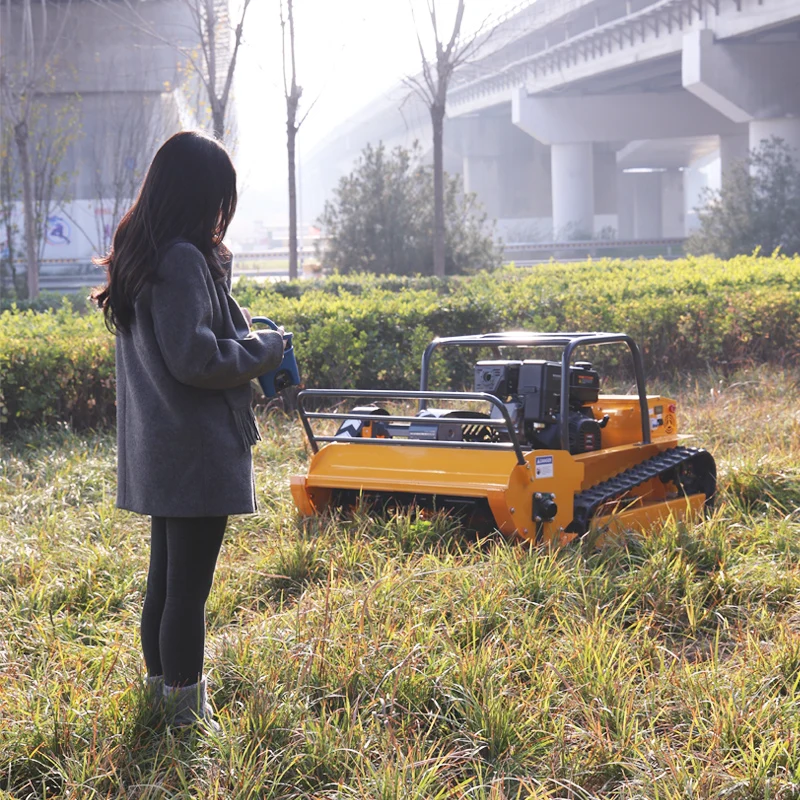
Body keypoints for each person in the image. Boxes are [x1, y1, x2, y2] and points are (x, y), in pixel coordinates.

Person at [92, 131, 285, 730]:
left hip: (164, 448)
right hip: (195, 450)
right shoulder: (179, 259)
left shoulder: (145, 254)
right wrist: (266, 349)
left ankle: (160, 695)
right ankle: (184, 715)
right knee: (187, 592)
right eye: (220, 199)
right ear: (200, 196)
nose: (223, 214)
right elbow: (196, 359)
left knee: (166, 583)